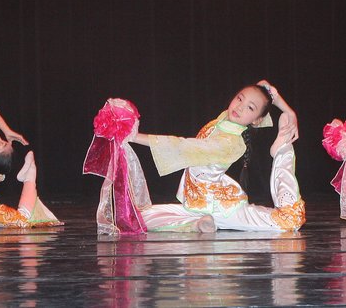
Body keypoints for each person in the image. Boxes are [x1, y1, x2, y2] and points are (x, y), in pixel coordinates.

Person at [131, 80, 306, 232]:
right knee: (136, 218)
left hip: (223, 210)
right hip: (198, 203)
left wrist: (134, 137)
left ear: (257, 120)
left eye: (250, 107)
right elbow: (263, 86)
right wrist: (289, 111)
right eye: (239, 98)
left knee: (291, 219)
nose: (240, 107)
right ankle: (199, 223)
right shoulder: (225, 119)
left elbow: (182, 146)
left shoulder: (230, 144)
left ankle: (282, 150)